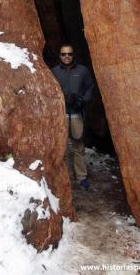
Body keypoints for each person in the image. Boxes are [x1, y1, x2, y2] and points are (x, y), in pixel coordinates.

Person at [51, 44, 94, 190]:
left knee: (78, 145)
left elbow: (90, 88)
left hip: (76, 114)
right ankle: (62, 177)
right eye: (63, 54)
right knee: (60, 147)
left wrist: (82, 101)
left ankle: (81, 177)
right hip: (60, 115)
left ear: (73, 55)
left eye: (69, 54)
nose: (67, 56)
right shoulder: (54, 72)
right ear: (59, 56)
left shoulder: (82, 71)